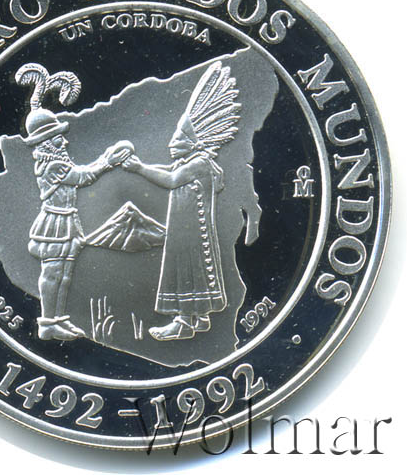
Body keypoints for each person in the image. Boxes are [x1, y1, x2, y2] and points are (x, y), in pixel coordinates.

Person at [122, 62, 241, 340]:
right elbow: (170, 171)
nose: (171, 144)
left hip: (189, 235)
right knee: (194, 270)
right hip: (188, 230)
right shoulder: (193, 163)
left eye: (178, 139)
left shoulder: (198, 164)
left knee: (185, 269)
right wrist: (141, 166)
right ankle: (199, 318)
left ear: (192, 141)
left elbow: (172, 179)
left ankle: (184, 322)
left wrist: (139, 169)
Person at [17, 63, 132, 341]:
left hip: (67, 218)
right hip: (55, 221)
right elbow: (82, 177)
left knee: (65, 272)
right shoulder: (52, 165)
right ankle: (47, 322)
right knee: (53, 272)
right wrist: (107, 161)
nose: (65, 143)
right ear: (46, 143)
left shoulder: (57, 160)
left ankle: (58, 318)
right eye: (59, 139)